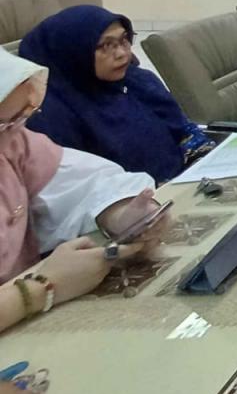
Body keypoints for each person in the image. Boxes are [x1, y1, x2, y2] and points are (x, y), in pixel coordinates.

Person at [0, 50, 167, 334]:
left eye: (22, 117)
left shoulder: (15, 142)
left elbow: (81, 184)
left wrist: (123, 215)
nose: (15, 132)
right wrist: (43, 286)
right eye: (5, 124)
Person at [19, 7, 212, 183]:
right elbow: (82, 187)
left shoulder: (137, 80)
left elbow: (185, 133)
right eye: (106, 45)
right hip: (133, 203)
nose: (122, 53)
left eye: (124, 39)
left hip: (189, 183)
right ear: (74, 52)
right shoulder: (50, 115)